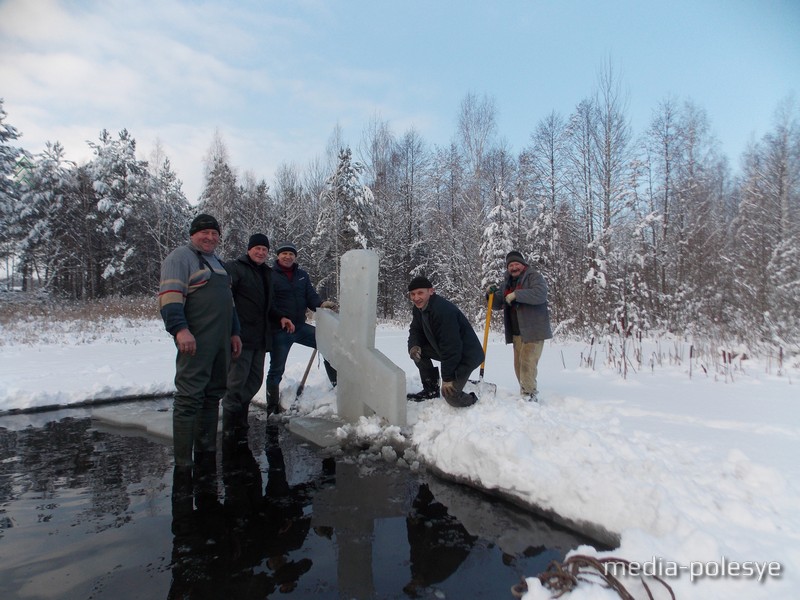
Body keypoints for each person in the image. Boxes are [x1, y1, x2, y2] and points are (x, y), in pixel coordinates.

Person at [158, 213, 242, 471]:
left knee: (213, 394)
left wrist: (235, 332)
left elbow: (229, 304)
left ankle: (206, 452)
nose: (210, 237)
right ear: (193, 234)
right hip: (195, 341)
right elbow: (170, 297)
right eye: (204, 233)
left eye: (215, 234)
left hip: (221, 342)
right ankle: (184, 463)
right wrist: (180, 330)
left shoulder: (217, 263)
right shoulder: (180, 258)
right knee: (189, 397)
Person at [222, 233, 292, 439]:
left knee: (254, 381)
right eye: (257, 248)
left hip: (260, 338)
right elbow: (226, 301)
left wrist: (281, 317)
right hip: (240, 338)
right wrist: (230, 331)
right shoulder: (234, 268)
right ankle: (229, 429)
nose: (261, 252)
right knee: (235, 384)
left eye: (264, 249)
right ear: (249, 249)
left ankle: (240, 424)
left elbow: (269, 305)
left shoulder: (267, 273)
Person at [266, 241, 337, 413]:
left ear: (295, 256)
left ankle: (336, 386)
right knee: (277, 368)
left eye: (291, 254)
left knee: (328, 345)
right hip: (280, 330)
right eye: (284, 253)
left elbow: (310, 296)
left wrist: (321, 304)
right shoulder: (269, 275)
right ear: (278, 256)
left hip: (299, 326)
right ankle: (272, 405)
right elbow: (268, 302)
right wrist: (280, 317)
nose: (288, 256)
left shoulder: (302, 276)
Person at [406, 276, 484, 408]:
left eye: (420, 293)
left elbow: (452, 347)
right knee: (418, 352)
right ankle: (431, 390)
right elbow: (415, 330)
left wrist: (447, 378)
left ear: (431, 291)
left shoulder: (443, 311)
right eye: (412, 294)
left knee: (451, 397)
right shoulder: (419, 308)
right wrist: (414, 346)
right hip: (446, 351)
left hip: (466, 356)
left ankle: (473, 400)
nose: (416, 298)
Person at [487, 250, 553, 401]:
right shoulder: (507, 282)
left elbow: (540, 294)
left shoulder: (534, 277)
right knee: (518, 365)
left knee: (527, 363)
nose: (514, 267)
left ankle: (529, 395)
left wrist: (517, 294)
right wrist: (490, 294)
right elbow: (497, 304)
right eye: (511, 265)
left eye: (517, 264)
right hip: (517, 331)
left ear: (523, 265)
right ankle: (525, 390)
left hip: (534, 330)